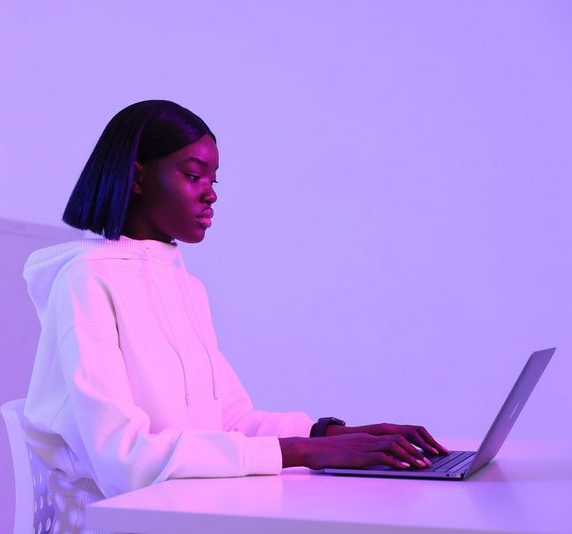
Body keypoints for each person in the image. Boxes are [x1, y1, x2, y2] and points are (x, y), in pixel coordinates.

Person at [22, 100, 448, 532]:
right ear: (137, 177)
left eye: (213, 179)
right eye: (192, 175)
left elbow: (230, 422)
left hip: (192, 510)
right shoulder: (85, 280)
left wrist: (334, 436)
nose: (211, 192)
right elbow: (124, 460)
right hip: (124, 521)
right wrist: (303, 453)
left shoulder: (186, 287)